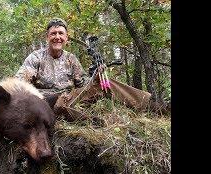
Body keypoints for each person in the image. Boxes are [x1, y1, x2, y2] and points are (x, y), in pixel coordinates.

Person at [15, 17, 169, 121]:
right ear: (47, 37)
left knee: (104, 83)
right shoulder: (36, 58)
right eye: (53, 33)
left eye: (61, 33)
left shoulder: (71, 59)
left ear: (66, 38)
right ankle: (91, 121)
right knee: (60, 104)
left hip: (71, 98)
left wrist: (96, 75)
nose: (57, 37)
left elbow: (83, 85)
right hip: (45, 102)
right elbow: (19, 84)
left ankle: (151, 106)